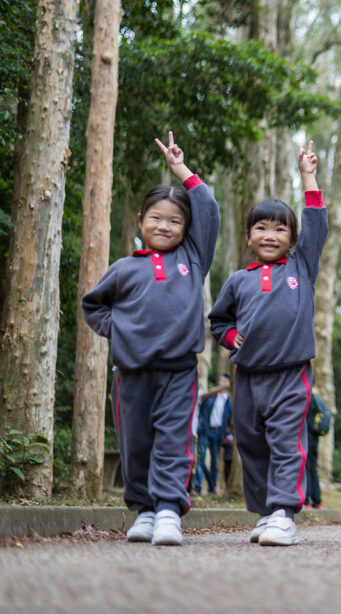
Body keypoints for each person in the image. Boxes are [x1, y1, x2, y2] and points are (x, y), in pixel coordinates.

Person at [82, 132, 220, 546]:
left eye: (175, 220)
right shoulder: (124, 268)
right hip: (131, 371)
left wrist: (181, 169)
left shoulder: (192, 258)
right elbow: (93, 306)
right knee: (136, 442)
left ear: (186, 228)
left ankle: (168, 511)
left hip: (179, 370)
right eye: (157, 218)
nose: (164, 226)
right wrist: (119, 330)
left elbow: (208, 208)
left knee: (173, 440)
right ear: (142, 220)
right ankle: (143, 510)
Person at [208, 141, 326, 547]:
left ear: (292, 238)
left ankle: (284, 513)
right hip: (247, 377)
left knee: (287, 443)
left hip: (291, 375)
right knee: (252, 445)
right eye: (261, 227)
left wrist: (307, 175)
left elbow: (316, 222)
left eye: (280, 229)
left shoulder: (301, 267)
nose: (270, 235)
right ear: (248, 236)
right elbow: (218, 321)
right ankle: (265, 512)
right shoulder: (238, 280)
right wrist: (229, 336)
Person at [196, 373, 232, 494]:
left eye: (225, 381)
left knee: (214, 463)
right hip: (205, 431)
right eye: (221, 381)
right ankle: (197, 487)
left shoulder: (228, 401)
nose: (222, 383)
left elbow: (228, 419)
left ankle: (212, 488)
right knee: (200, 459)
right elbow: (201, 409)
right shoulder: (210, 396)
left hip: (218, 433)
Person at [304, 392, 328, 509]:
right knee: (313, 469)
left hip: (305, 437)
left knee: (306, 468)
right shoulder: (315, 398)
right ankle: (317, 501)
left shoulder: (304, 397)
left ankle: (306, 500)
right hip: (314, 438)